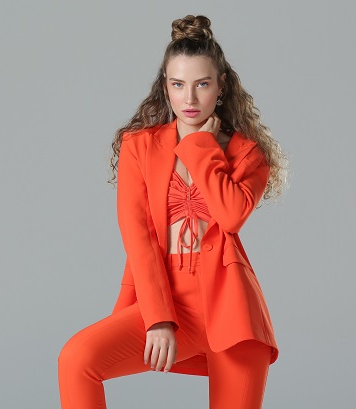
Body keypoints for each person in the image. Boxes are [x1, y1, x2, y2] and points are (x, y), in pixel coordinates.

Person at [58, 15, 286, 409]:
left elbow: (231, 216)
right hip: (166, 300)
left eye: (202, 84)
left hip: (231, 311)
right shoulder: (139, 147)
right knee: (76, 360)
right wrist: (158, 317)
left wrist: (202, 147)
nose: (189, 99)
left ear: (221, 86)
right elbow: (138, 236)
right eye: (177, 84)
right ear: (165, 86)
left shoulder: (248, 154)